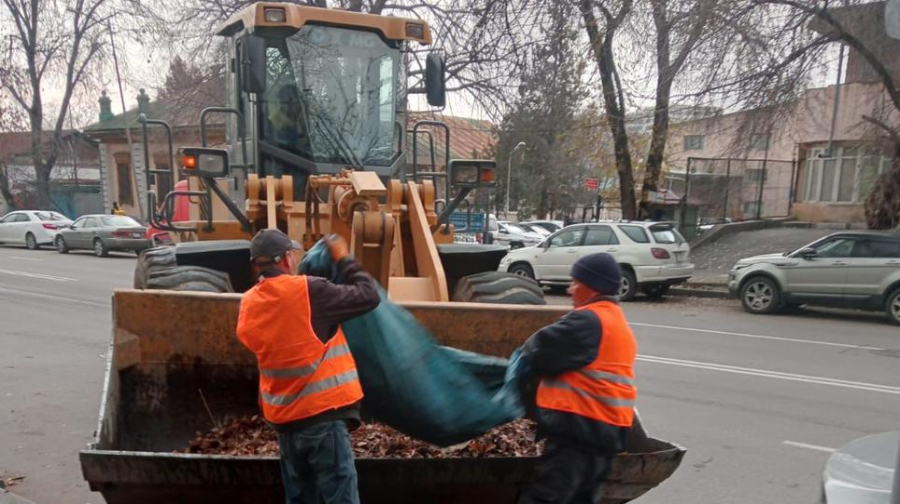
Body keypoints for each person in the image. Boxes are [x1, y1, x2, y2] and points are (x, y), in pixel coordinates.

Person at [236, 229, 379, 504]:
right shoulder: (309, 291)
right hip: (322, 419)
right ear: (287, 259)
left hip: (286, 425)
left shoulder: (249, 304)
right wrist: (344, 259)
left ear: (255, 264)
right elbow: (368, 296)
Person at [518, 252, 637, 504]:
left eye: (575, 282)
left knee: (544, 499)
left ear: (593, 286)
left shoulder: (587, 320)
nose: (570, 290)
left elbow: (537, 353)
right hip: (605, 438)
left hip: (578, 436)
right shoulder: (616, 322)